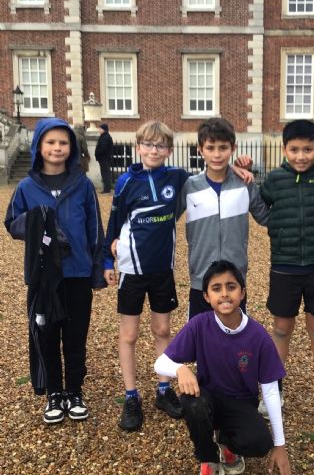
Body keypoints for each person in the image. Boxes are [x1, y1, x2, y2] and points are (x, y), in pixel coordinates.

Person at [4, 117, 106, 424]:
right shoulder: (26, 187)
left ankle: (74, 391)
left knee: (75, 337)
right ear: (39, 146)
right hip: (43, 277)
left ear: (71, 148)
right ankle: (54, 393)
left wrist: (97, 270)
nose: (57, 148)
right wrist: (37, 220)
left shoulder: (83, 185)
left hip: (77, 274)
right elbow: (11, 222)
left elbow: (94, 229)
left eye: (63, 142)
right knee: (47, 335)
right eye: (51, 142)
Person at [154, 260, 292, 475]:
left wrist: (280, 444)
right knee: (191, 402)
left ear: (242, 293)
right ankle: (208, 460)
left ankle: (227, 443)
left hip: (241, 403)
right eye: (216, 288)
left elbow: (270, 390)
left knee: (259, 443)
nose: (225, 294)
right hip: (208, 398)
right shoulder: (199, 325)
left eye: (231, 286)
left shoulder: (258, 335)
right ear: (207, 297)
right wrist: (180, 369)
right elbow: (160, 363)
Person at [258, 119, 314, 422]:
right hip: (284, 267)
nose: (300, 156)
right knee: (281, 329)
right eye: (294, 149)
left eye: (307, 149)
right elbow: (259, 204)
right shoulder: (274, 179)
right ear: (284, 149)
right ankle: (275, 390)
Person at [103, 121, 189, 431]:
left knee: (162, 329)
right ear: (138, 147)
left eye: (160, 145)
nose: (154, 150)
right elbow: (114, 222)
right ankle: (131, 396)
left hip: (162, 268)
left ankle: (163, 390)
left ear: (169, 150)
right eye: (148, 145)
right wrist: (107, 260)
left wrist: (239, 169)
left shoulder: (177, 177)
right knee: (129, 335)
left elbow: (209, 179)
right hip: (131, 268)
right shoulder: (126, 181)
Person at [179, 117, 268, 319]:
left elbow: (266, 217)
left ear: (233, 148)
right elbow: (166, 219)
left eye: (223, 148)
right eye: (210, 148)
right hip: (201, 277)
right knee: (200, 334)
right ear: (200, 150)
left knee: (235, 333)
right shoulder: (190, 186)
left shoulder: (244, 183)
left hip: (234, 276)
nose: (217, 154)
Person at [95, 122, 113, 193]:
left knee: (105, 173)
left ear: (104, 129)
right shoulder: (104, 136)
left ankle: (107, 188)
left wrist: (98, 154)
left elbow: (103, 148)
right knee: (105, 173)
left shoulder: (105, 137)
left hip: (104, 158)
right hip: (103, 158)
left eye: (100, 129)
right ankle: (107, 187)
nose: (99, 130)